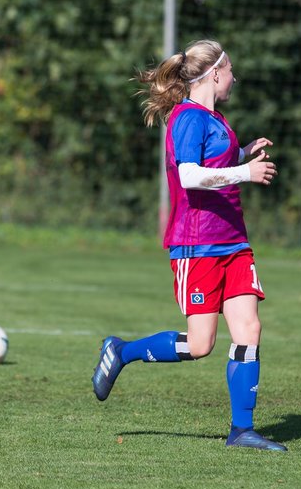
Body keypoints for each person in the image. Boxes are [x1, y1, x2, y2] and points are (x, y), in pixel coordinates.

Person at [89, 40, 286, 451]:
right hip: (197, 245)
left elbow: (215, 164)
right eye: (231, 70)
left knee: (249, 328)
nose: (234, 78)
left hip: (234, 241)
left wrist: (244, 152)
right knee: (200, 345)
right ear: (215, 74)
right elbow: (190, 177)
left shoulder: (217, 120)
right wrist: (245, 172)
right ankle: (122, 351)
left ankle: (242, 430)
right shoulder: (187, 118)